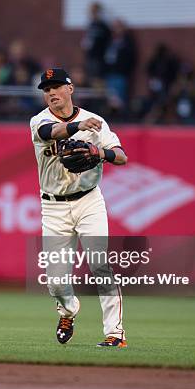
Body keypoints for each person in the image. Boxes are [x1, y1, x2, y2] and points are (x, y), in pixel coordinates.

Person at [29, 68, 127, 348]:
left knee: (100, 265)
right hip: (53, 207)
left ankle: (115, 334)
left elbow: (122, 157)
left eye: (57, 87)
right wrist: (77, 128)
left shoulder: (96, 121)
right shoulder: (39, 120)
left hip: (88, 200)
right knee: (56, 283)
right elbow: (51, 132)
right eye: (47, 89)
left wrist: (101, 153)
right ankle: (68, 310)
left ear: (70, 89)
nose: (51, 93)